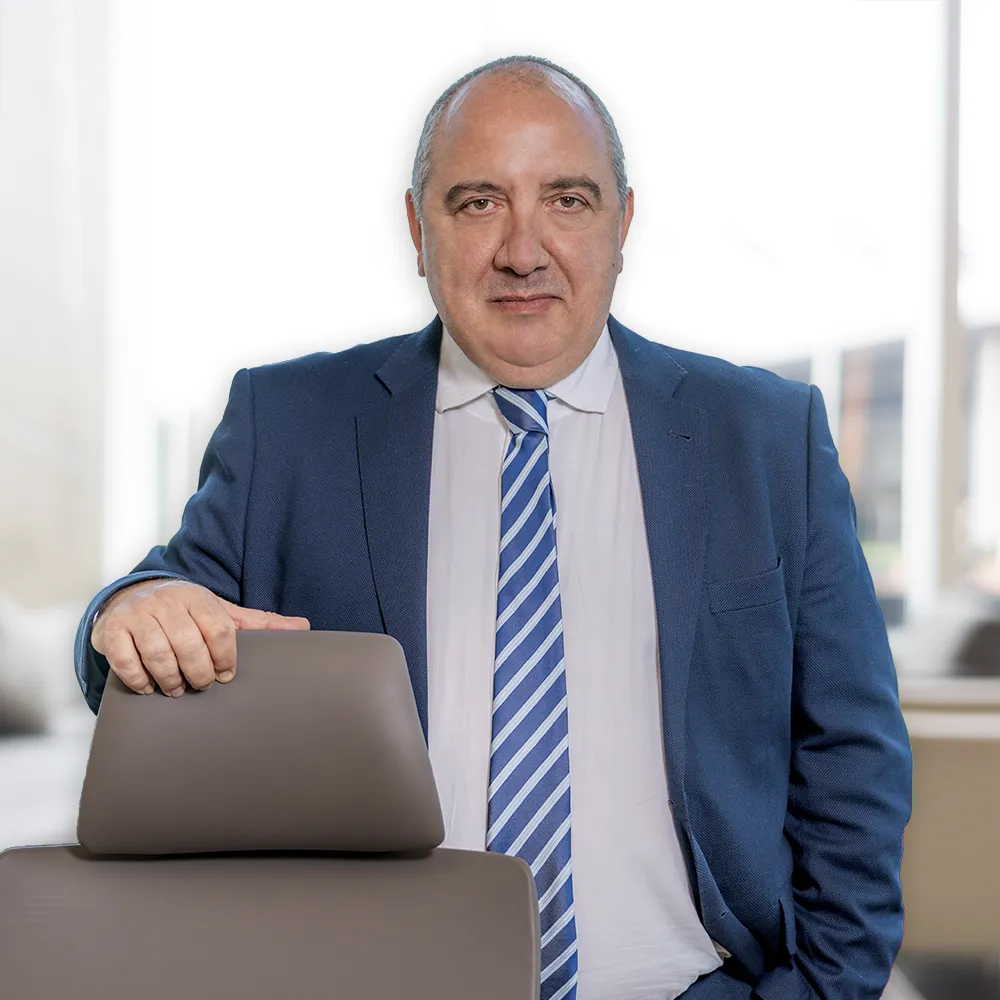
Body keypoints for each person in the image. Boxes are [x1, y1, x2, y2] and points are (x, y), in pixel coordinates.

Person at [74, 55, 912, 1000]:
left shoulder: (765, 438)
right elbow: (151, 619)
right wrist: (130, 610)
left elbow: (853, 759)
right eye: (478, 203)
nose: (523, 251)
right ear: (417, 229)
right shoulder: (292, 427)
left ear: (623, 224)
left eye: (567, 200)